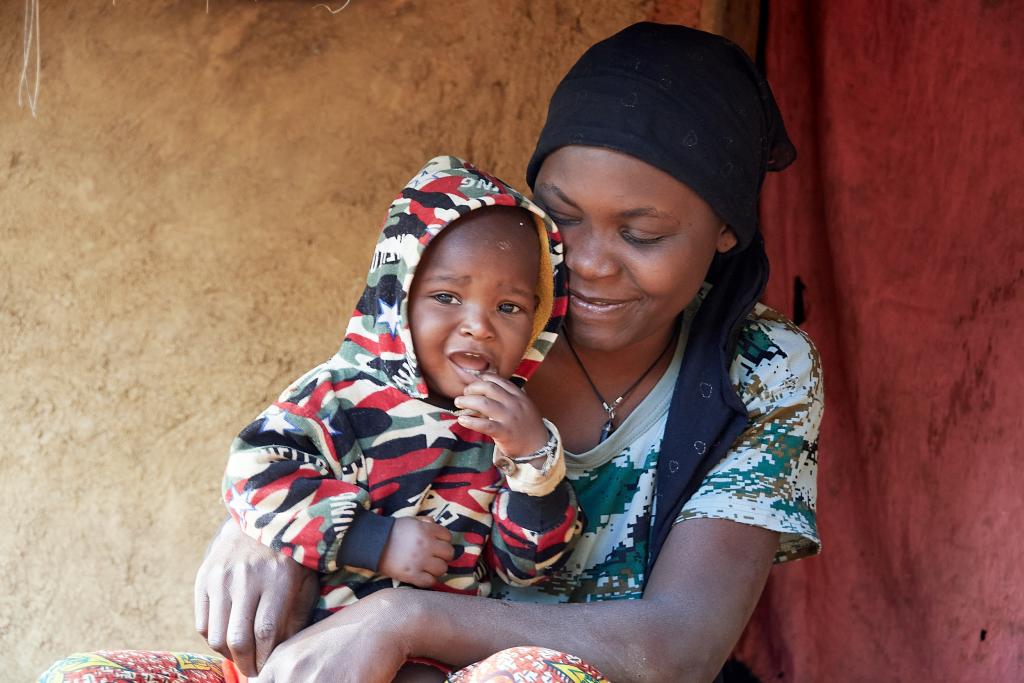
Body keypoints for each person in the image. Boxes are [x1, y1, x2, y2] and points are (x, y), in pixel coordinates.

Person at [43, 22, 824, 683]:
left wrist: (403, 617)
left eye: (642, 234)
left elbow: (680, 646)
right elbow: (320, 432)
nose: (585, 262)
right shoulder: (469, 316)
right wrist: (258, 528)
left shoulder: (760, 371)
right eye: (561, 216)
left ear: (726, 229)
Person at [222, 155, 580, 627]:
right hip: (312, 655)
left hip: (437, 654)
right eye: (447, 297)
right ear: (396, 297)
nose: (479, 327)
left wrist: (534, 460)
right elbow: (252, 475)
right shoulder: (337, 397)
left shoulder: (504, 431)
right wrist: (373, 540)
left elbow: (525, 569)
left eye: (509, 306)